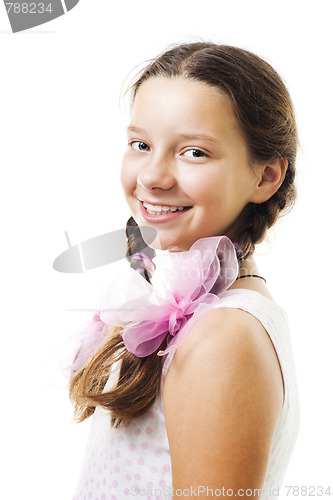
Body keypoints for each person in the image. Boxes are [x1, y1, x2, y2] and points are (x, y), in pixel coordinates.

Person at [65, 42, 300, 499]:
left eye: (194, 152)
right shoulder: (205, 311)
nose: (152, 176)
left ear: (265, 176)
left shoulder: (223, 336)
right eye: (141, 144)